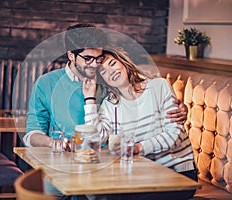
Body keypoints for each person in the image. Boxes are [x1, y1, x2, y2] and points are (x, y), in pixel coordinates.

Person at [23, 23, 189, 198]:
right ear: (71, 55)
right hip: (64, 166)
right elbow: (31, 133)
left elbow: (137, 98)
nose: (94, 64)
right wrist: (53, 143)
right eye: (88, 58)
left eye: (99, 57)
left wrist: (181, 109)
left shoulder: (109, 85)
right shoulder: (47, 83)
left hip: (108, 168)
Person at [82, 46, 197, 200]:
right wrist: (89, 100)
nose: (111, 71)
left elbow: (174, 135)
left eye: (113, 64)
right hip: (142, 174)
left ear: (123, 63)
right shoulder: (110, 105)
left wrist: (138, 148)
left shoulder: (158, 86)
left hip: (178, 173)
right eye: (103, 72)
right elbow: (96, 138)